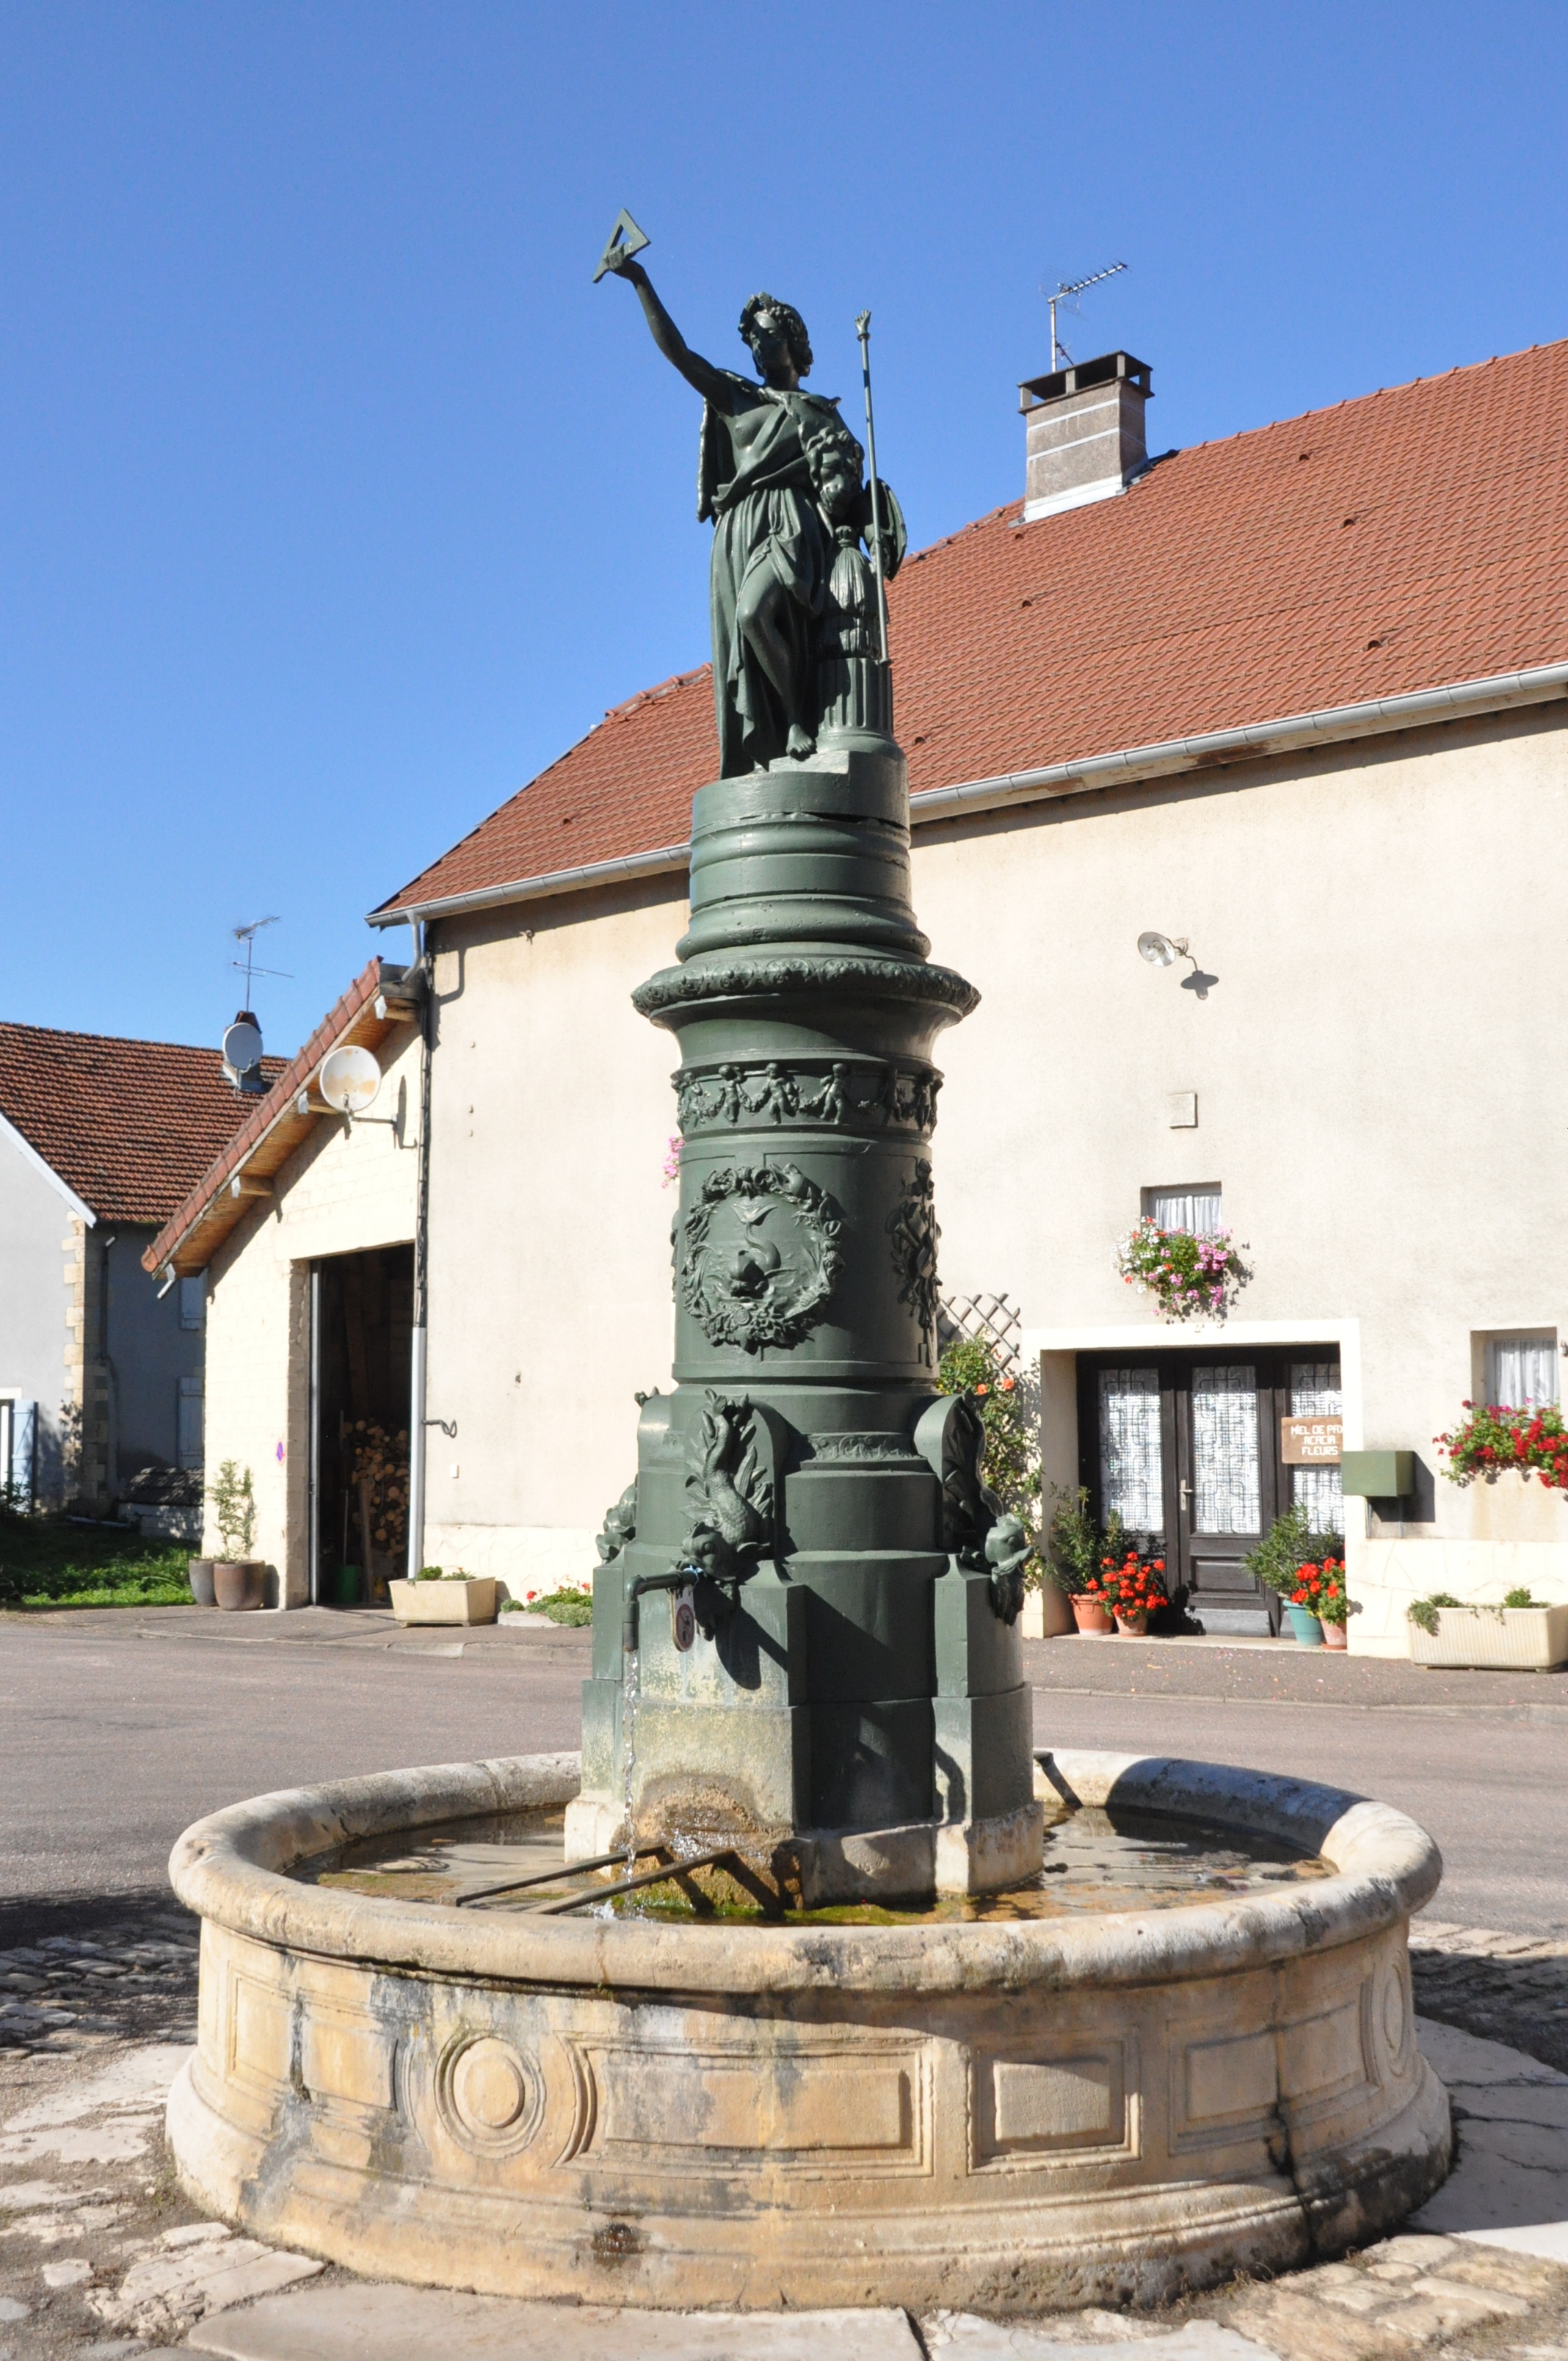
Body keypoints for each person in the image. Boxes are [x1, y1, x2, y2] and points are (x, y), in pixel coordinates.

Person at [601, 254, 869, 775]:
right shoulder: (736, 398)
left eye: (768, 337)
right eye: (752, 341)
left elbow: (845, 481)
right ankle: (782, 722)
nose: (758, 347)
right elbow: (679, 355)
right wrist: (640, 282)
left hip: (793, 526)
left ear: (792, 339)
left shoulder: (819, 410)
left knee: (754, 612)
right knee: (745, 629)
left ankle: (796, 717)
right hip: (740, 530)